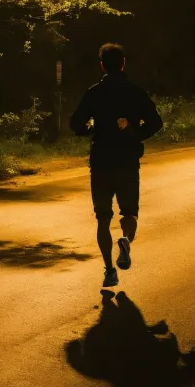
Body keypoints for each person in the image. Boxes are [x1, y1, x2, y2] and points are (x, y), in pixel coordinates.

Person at [70, 43, 163, 287]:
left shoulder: (94, 92)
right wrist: (135, 134)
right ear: (123, 64)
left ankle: (109, 270)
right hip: (127, 160)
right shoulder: (135, 92)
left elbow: (76, 124)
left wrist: (89, 129)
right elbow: (156, 122)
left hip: (100, 160)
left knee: (102, 218)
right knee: (129, 213)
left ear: (102, 65)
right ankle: (125, 241)